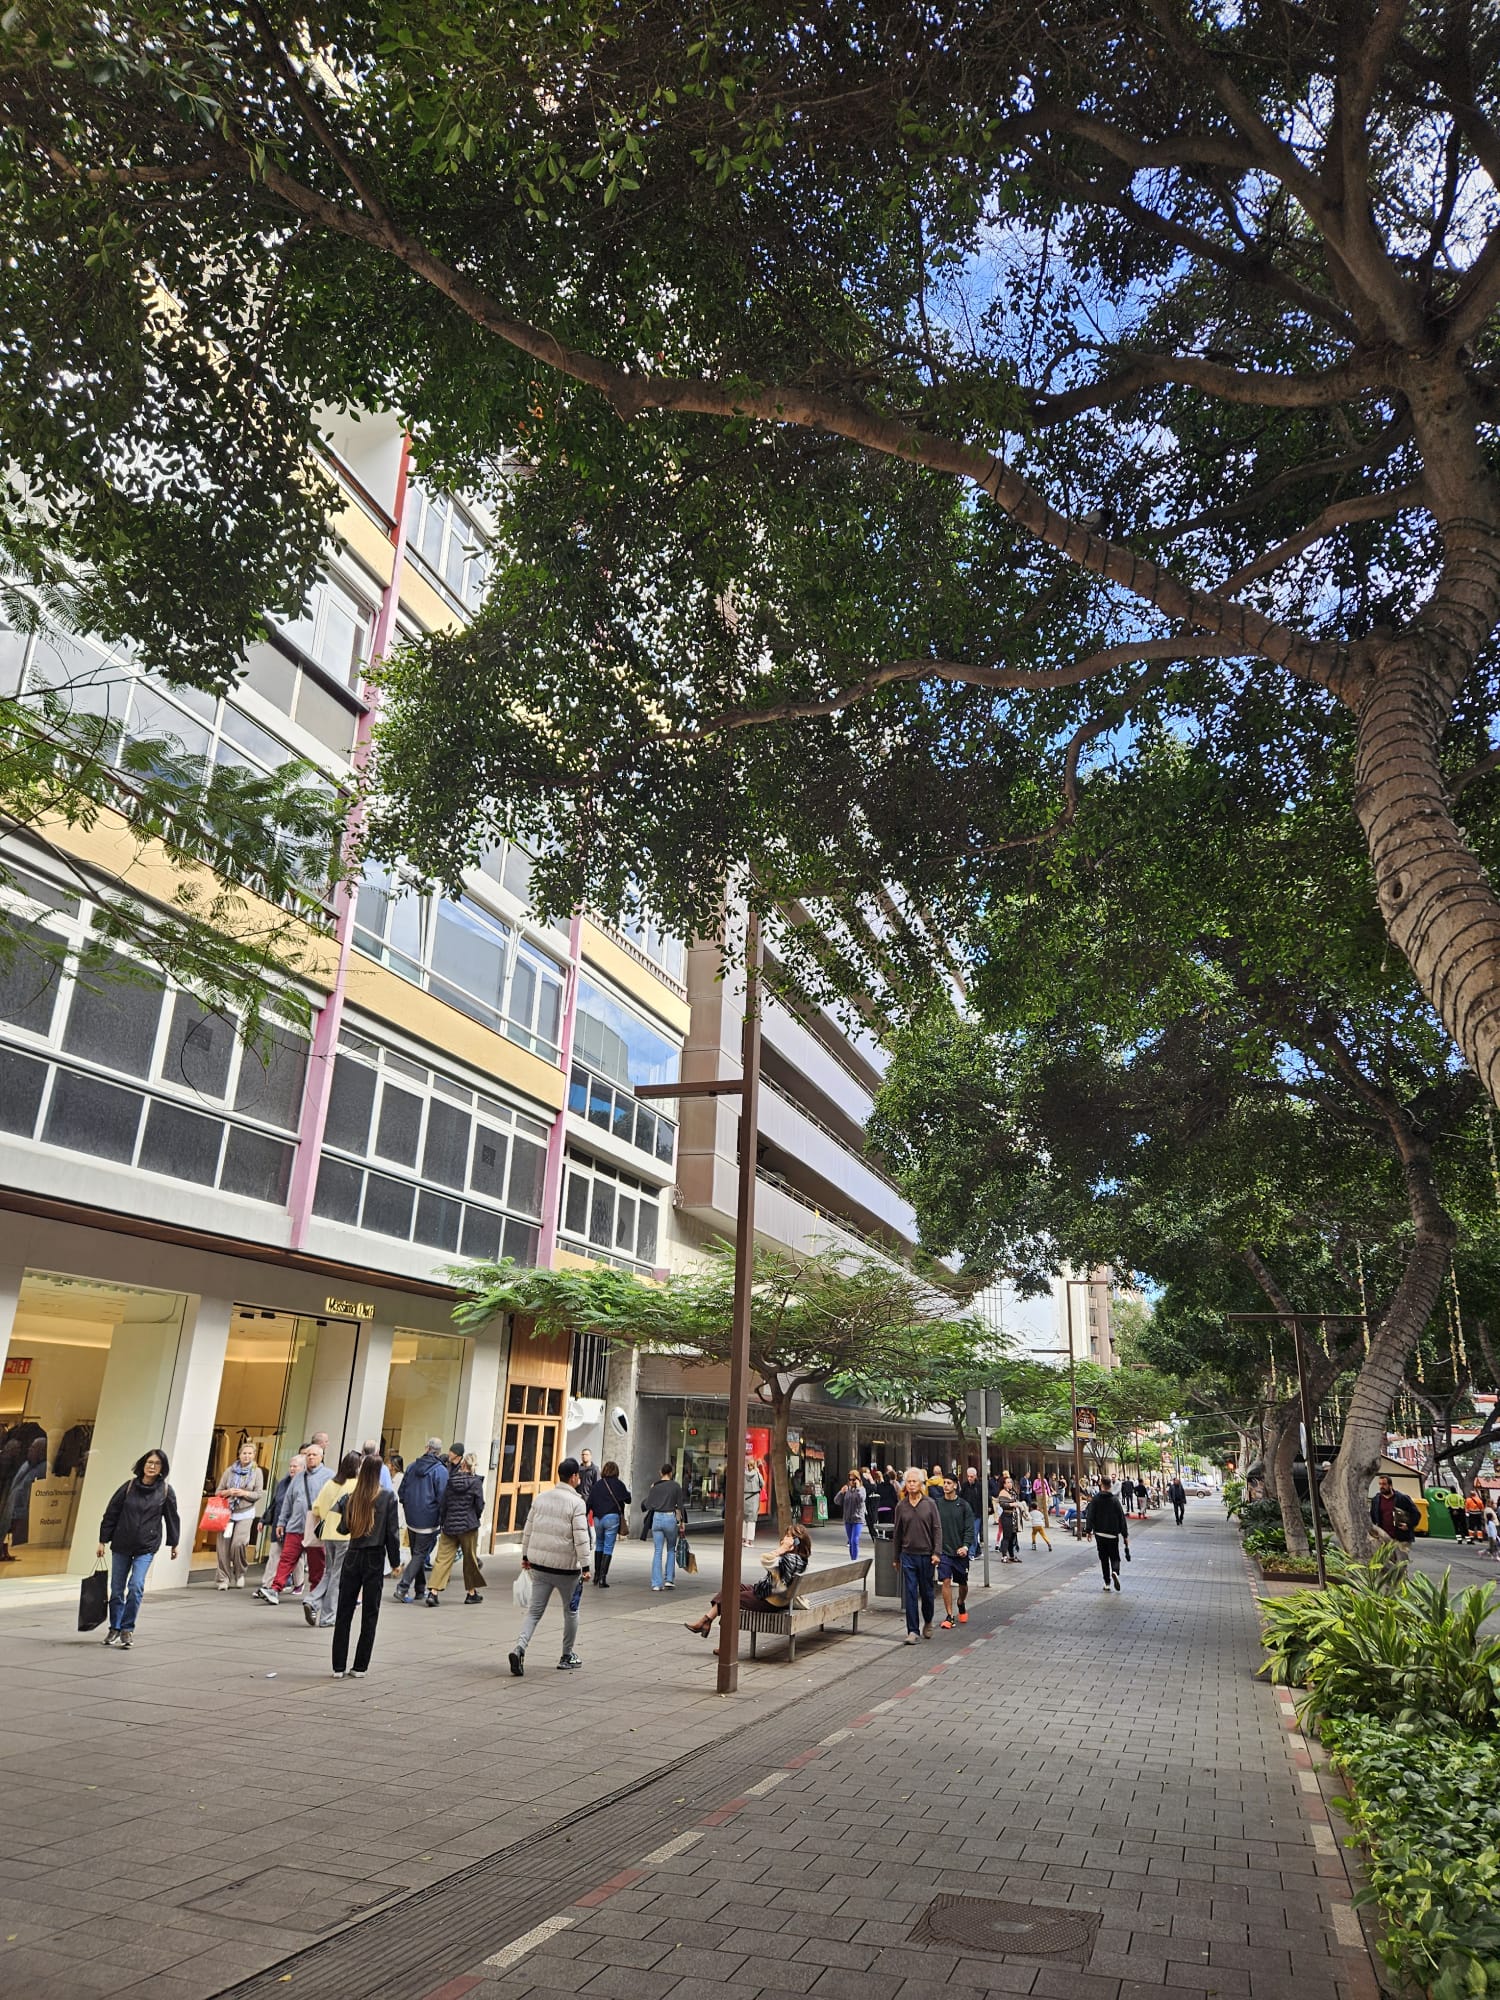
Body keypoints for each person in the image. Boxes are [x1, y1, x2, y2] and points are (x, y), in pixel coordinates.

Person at [509, 1458, 591, 1675]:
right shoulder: (577, 1503)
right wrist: (586, 1566)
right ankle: (567, 1655)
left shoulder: (541, 1498)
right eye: (578, 1475)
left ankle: (520, 1647)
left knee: (534, 1612)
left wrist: (525, 1555)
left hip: (541, 1567)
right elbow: (581, 1537)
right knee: (571, 1611)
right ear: (573, 1477)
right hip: (567, 1569)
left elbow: (529, 1529)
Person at [97, 1449, 181, 1648]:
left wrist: (174, 1543)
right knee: (117, 1589)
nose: (152, 1466)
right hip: (122, 1543)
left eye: (157, 1464)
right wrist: (102, 1540)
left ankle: (127, 1629)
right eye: (149, 1462)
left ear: (162, 1468)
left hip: (146, 1545)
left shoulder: (166, 1491)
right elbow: (111, 1514)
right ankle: (114, 1628)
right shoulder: (128, 1487)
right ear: (142, 1464)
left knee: (135, 1586)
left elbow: (172, 1518)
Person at [329, 1456, 401, 1677]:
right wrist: (395, 1561)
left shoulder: (352, 1497)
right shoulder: (388, 1496)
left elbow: (343, 1529)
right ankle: (360, 1666)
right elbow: (392, 1533)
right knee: (370, 1612)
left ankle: (338, 1666)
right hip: (374, 1556)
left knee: (344, 1611)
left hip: (353, 1554)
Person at [685, 1521, 812, 1637]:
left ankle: (724, 1643)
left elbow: (765, 1559)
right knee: (732, 1588)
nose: (784, 1538)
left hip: (771, 1600)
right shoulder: (798, 1559)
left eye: (788, 1536)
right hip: (772, 1593)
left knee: (730, 1600)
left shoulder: (791, 1560)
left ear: (796, 1541)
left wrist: (782, 1549)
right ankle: (706, 1621)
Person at [257, 1443, 330, 1604]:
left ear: (321, 1457)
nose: (310, 1457)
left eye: (314, 1455)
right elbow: (287, 1502)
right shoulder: (298, 1477)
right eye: (308, 1455)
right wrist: (281, 1522)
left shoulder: (328, 1476)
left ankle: (315, 1595)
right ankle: (275, 1589)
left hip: (315, 1528)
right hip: (295, 1526)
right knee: (287, 1558)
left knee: (316, 1564)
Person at [303, 1449, 362, 1628]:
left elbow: (317, 1508)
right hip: (345, 1534)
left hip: (328, 1532)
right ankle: (327, 1615)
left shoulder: (331, 1483)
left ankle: (313, 1601)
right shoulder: (356, 1485)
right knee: (338, 1576)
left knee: (330, 1572)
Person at [425, 1447, 486, 1604]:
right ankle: (471, 1593)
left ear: (462, 1465)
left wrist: (444, 1520)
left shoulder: (451, 1481)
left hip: (450, 1525)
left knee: (442, 1559)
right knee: (470, 1559)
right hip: (468, 1526)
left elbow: (444, 1504)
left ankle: (433, 1592)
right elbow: (479, 1505)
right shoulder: (476, 1483)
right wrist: (474, 1517)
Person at [394, 1437, 449, 1602]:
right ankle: (403, 1587)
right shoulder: (441, 1471)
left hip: (411, 1517)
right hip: (429, 1518)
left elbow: (402, 1492)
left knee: (416, 1553)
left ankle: (419, 1589)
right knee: (419, 1554)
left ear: (427, 1448)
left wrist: (408, 1506)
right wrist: (442, 1518)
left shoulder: (412, 1466)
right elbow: (443, 1498)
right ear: (439, 1452)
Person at [893, 1467, 940, 1644]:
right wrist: (896, 1557)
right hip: (908, 1555)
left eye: (914, 1481)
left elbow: (937, 1529)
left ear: (921, 1484)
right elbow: (897, 1533)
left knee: (927, 1592)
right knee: (910, 1593)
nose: (911, 1484)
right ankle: (912, 1631)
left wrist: (937, 1552)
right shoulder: (901, 1506)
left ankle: (928, 1621)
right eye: (909, 1481)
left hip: (927, 1556)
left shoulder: (930, 1504)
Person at [214, 1442, 265, 1589]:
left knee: (238, 1543)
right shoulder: (230, 1471)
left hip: (245, 1513)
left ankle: (240, 1572)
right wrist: (229, 1492)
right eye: (244, 1453)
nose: (247, 1456)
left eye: (250, 1453)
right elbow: (218, 1492)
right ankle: (223, 1579)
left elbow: (258, 1493)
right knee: (223, 1546)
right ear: (239, 1454)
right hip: (228, 1513)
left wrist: (244, 1493)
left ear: (254, 1455)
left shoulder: (257, 1472)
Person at [640, 1462, 687, 1591]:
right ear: (671, 1473)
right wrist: (682, 1522)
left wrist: (652, 1490)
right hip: (669, 1517)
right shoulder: (676, 1486)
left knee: (658, 1551)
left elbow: (648, 1504)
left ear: (661, 1473)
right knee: (671, 1549)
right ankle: (669, 1580)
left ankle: (656, 1583)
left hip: (657, 1518)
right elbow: (680, 1505)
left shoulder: (655, 1486)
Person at [935, 1475, 972, 1628]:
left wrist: (965, 1546)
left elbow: (970, 1528)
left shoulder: (963, 1505)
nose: (945, 1485)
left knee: (963, 1583)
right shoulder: (937, 1504)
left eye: (949, 1483)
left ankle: (961, 1602)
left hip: (959, 1552)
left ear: (955, 1485)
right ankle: (949, 1616)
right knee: (946, 1580)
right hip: (943, 1551)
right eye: (944, 1483)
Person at [588, 1460, 630, 1585]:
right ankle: (602, 1578)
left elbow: (589, 1502)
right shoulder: (619, 1484)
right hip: (611, 1517)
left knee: (599, 1545)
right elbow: (628, 1499)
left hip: (597, 1518)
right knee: (608, 1547)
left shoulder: (597, 1485)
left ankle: (596, 1576)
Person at [1084, 1476, 1129, 1590]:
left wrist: (1088, 1531)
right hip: (1112, 1534)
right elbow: (1121, 1518)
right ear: (1110, 1486)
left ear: (1101, 1484)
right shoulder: (1114, 1500)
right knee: (1115, 1557)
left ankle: (1107, 1583)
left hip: (1099, 1534)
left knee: (1103, 1559)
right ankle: (1115, 1571)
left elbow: (1090, 1515)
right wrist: (1125, 1535)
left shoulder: (1096, 1499)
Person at [1369, 1475, 1419, 1558]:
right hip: (1384, 1537)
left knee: (1400, 1564)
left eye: (1384, 1484)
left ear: (1390, 1485)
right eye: (1380, 1484)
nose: (1382, 1486)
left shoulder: (1402, 1498)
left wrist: (1409, 1525)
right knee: (1386, 1563)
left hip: (1401, 1538)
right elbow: (1372, 1517)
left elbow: (1416, 1514)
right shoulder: (1376, 1500)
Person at [837, 1467, 868, 1561]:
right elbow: (837, 1501)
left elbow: (861, 1499)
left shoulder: (862, 1489)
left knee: (855, 1540)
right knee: (850, 1541)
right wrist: (841, 1493)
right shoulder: (847, 1490)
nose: (851, 1481)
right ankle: (852, 1558)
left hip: (857, 1519)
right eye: (849, 1479)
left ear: (858, 1479)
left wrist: (858, 1488)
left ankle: (854, 1559)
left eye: (853, 1479)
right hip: (848, 1519)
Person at [959, 1466, 985, 1558]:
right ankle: (977, 1551)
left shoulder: (979, 1486)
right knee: (970, 1532)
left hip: (977, 1513)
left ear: (975, 1476)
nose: (969, 1478)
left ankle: (971, 1553)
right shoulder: (964, 1486)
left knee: (974, 1532)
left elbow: (984, 1498)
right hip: (967, 1513)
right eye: (968, 1476)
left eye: (971, 1476)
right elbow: (961, 1497)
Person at [742, 1447, 764, 1547]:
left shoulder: (743, 1474)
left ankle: (743, 1538)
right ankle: (749, 1540)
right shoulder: (757, 1474)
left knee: (744, 1519)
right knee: (752, 1520)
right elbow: (762, 1484)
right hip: (754, 1497)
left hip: (744, 1496)